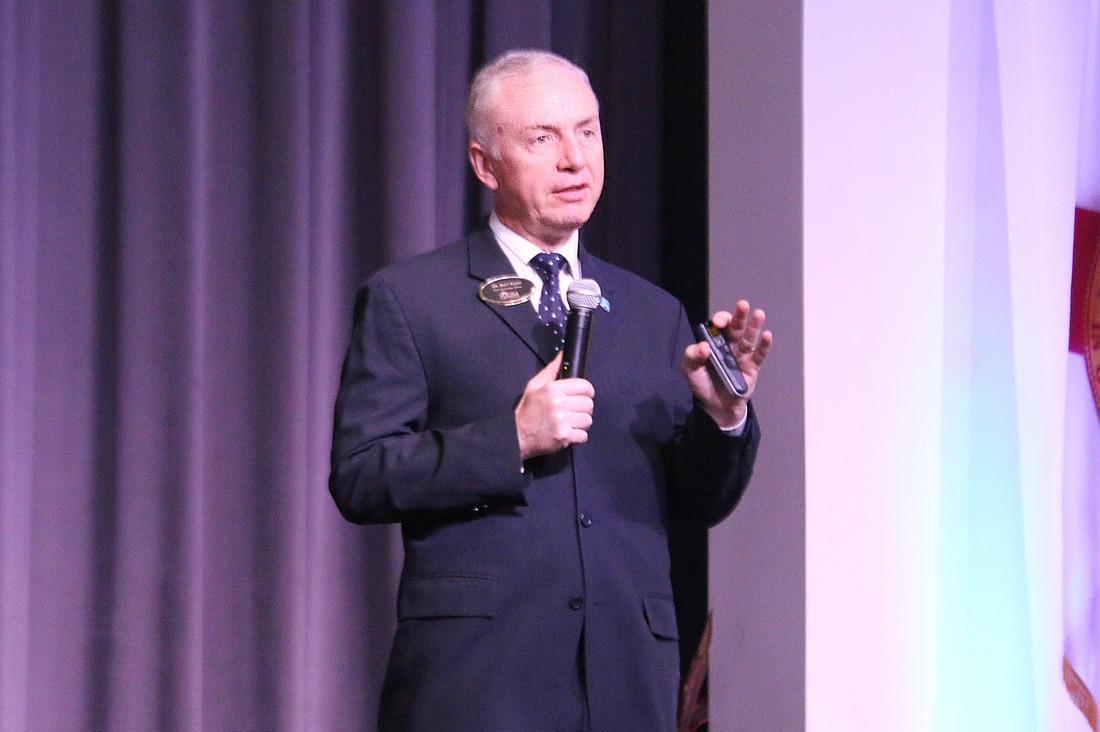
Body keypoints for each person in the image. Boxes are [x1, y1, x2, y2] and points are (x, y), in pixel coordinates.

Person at [329, 49, 772, 731]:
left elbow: (698, 500)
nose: (575, 159)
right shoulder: (411, 298)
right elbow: (361, 477)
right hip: (480, 680)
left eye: (587, 131)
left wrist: (724, 417)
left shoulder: (652, 310)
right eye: (544, 138)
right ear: (485, 163)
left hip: (625, 680)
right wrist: (511, 439)